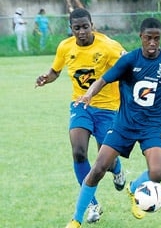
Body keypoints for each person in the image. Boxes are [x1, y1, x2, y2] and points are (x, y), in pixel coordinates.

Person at [65, 17, 161, 228]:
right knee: (99, 168)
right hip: (124, 125)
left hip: (153, 127)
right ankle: (76, 219)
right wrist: (89, 94)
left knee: (157, 172)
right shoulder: (129, 61)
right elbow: (104, 79)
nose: (153, 43)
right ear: (141, 37)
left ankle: (134, 188)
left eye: (157, 38)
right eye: (148, 38)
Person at [35, 8, 126, 223]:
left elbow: (129, 64)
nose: (82, 32)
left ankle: (118, 171)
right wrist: (46, 78)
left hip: (108, 108)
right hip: (81, 105)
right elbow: (56, 70)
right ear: (71, 29)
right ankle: (93, 204)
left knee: (107, 161)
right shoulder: (65, 47)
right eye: (77, 28)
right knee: (78, 152)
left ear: (92, 25)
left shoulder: (109, 46)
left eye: (86, 27)